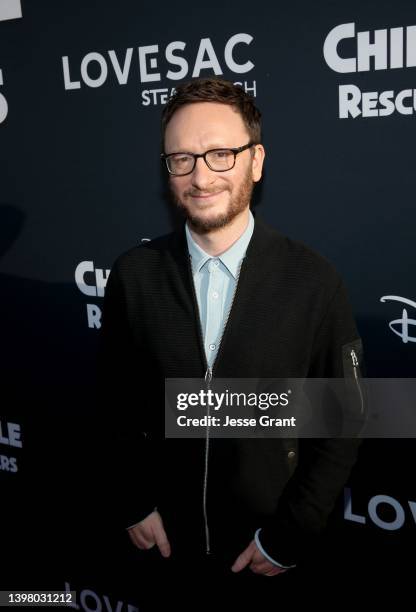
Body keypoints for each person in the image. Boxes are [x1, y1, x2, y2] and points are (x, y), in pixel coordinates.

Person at [98, 77, 363, 608]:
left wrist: (289, 535)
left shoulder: (314, 282)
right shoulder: (133, 276)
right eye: (182, 158)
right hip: (167, 557)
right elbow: (115, 403)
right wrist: (133, 502)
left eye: (221, 153)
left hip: (268, 559)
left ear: (256, 161)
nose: (201, 176)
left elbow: (342, 421)